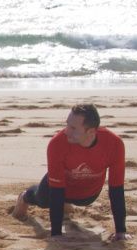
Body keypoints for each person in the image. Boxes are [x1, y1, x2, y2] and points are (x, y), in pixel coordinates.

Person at [12, 103, 128, 240]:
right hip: (58, 186)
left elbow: (116, 190)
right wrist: (56, 234)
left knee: (85, 200)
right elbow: (56, 191)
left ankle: (65, 204)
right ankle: (24, 197)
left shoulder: (114, 144)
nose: (66, 131)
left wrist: (121, 232)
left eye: (73, 128)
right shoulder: (57, 143)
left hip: (87, 193)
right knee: (42, 200)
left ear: (91, 132)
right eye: (67, 125)